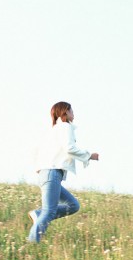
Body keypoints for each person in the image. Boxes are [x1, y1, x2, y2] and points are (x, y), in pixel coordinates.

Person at [27, 101, 99, 243]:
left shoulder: (52, 131)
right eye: (71, 110)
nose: (74, 113)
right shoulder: (65, 127)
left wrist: (40, 170)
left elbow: (36, 151)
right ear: (65, 112)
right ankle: (32, 243)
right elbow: (69, 148)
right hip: (51, 173)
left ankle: (38, 214)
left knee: (73, 205)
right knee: (49, 211)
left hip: (47, 173)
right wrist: (89, 155)